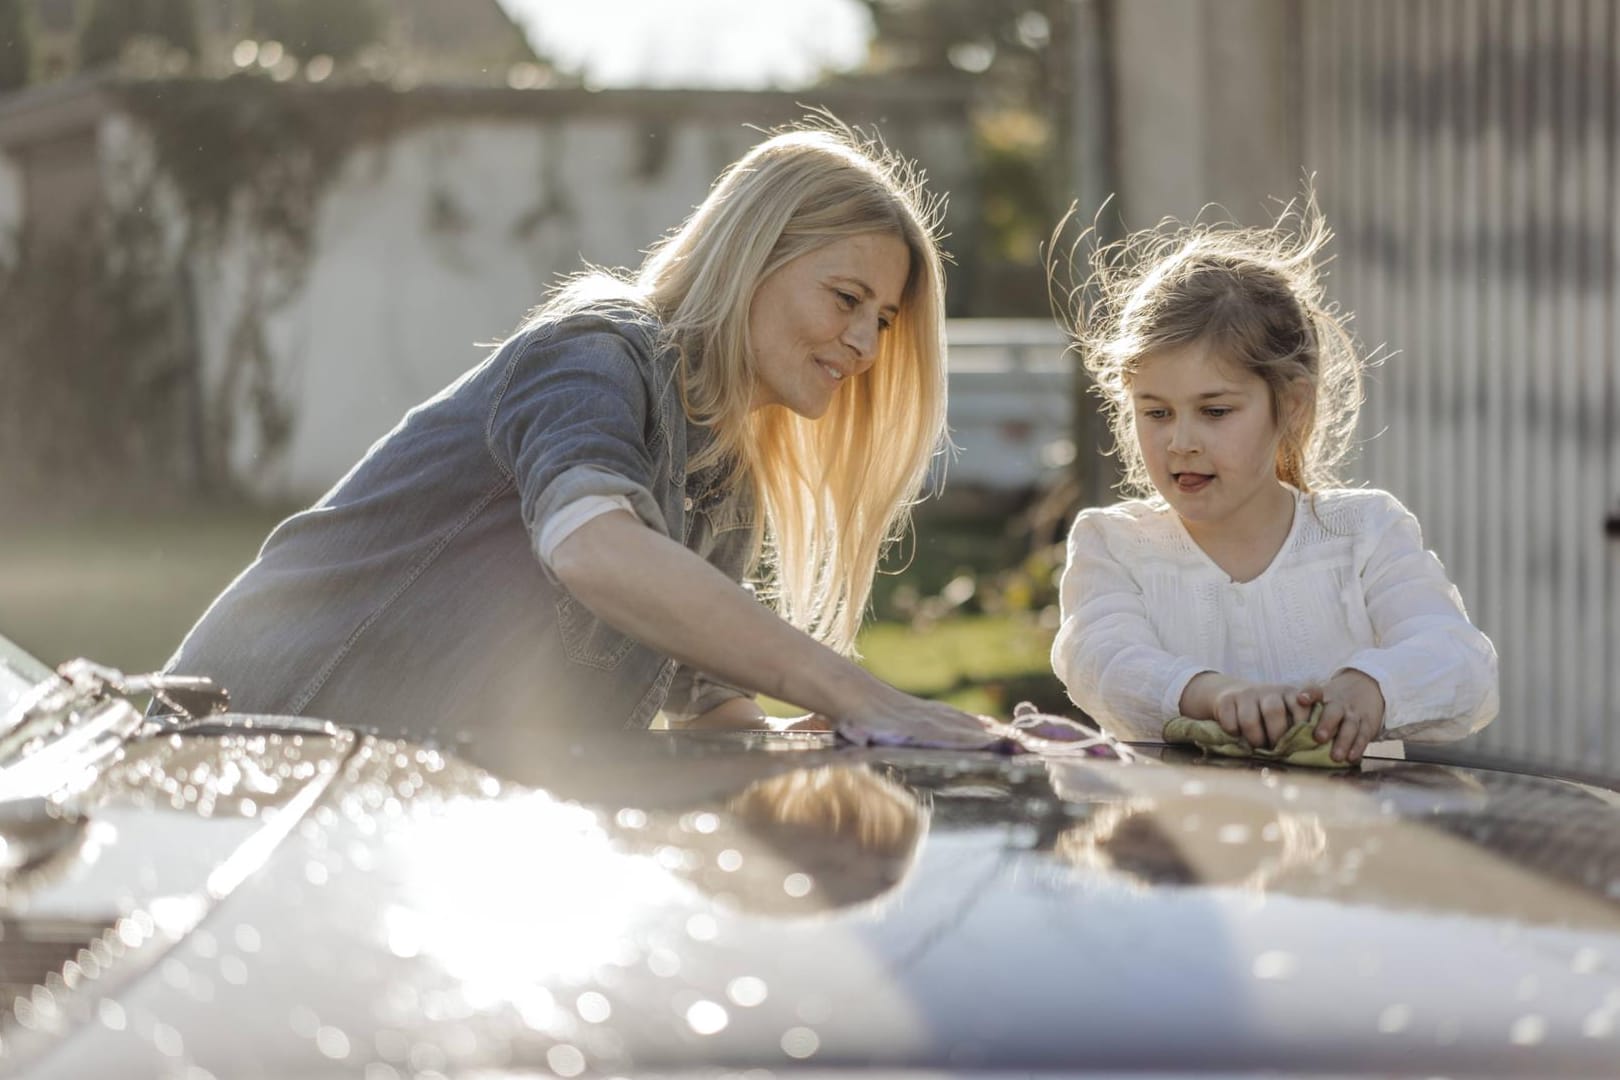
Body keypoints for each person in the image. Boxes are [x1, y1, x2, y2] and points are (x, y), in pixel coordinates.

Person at [159, 118, 995, 756]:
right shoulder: (595, 350)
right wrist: (857, 693)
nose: (865, 345)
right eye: (846, 298)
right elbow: (593, 546)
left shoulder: (725, 467)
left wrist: (881, 740)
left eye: (883, 320)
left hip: (379, 794)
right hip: (231, 754)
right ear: (751, 257)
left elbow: (706, 709)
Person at [1049, 199, 1498, 764]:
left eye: (1214, 412)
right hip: (1176, 845)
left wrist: (1369, 689)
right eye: (1156, 412)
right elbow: (1101, 660)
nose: (1180, 441)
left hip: (1352, 845)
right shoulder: (1113, 545)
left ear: (1291, 405)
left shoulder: (1363, 533)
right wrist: (1213, 694)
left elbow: (1463, 664)